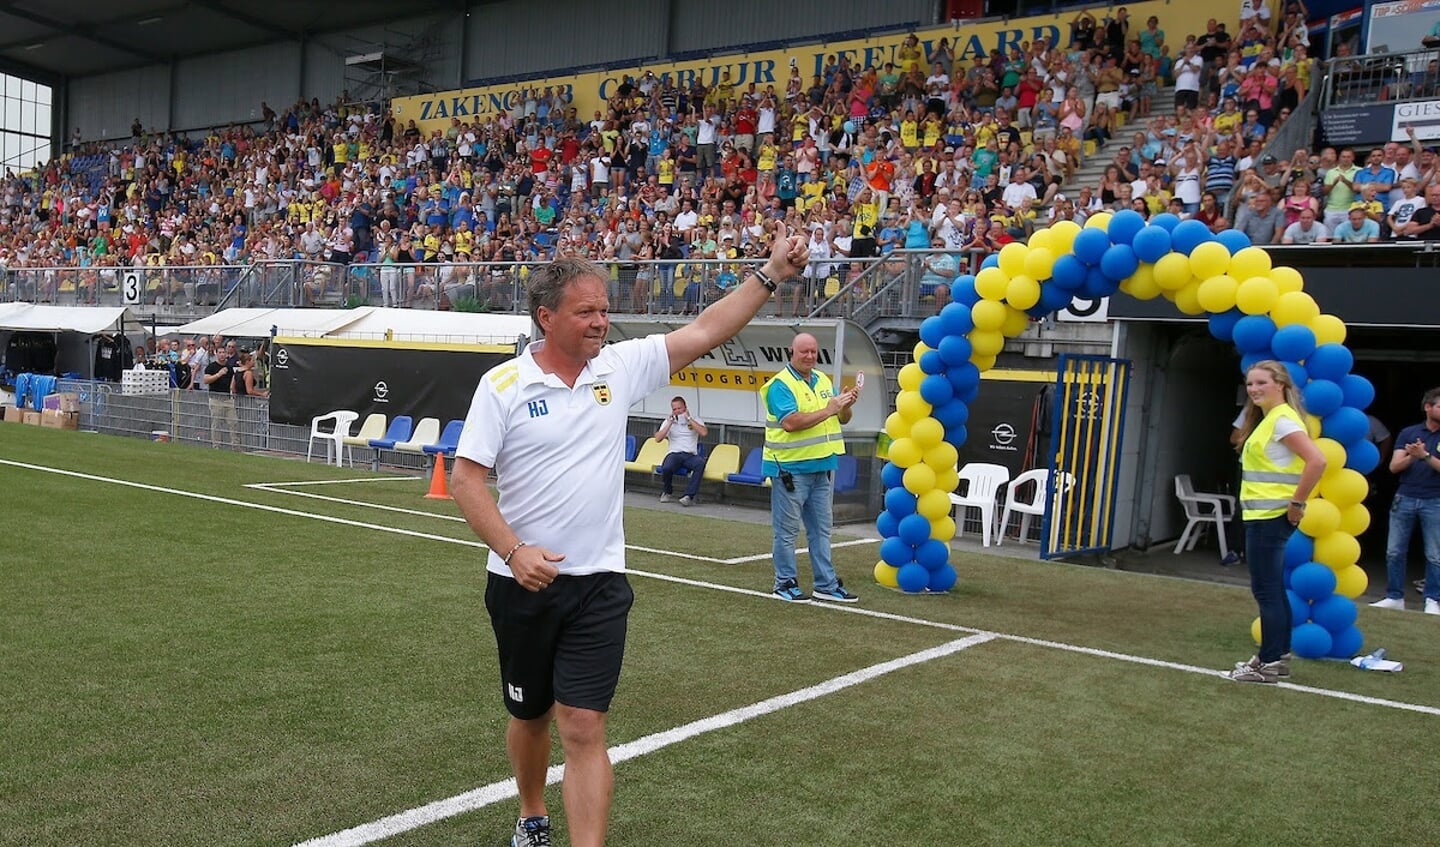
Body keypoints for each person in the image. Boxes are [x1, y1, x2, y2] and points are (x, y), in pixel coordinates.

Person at [449, 231, 811, 847]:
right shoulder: (503, 386)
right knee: (529, 714)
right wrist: (514, 550)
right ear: (547, 318)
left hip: (600, 586)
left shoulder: (617, 366)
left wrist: (771, 273)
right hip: (521, 584)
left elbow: (707, 330)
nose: (601, 321)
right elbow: (465, 479)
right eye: (586, 311)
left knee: (584, 725)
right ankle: (532, 813)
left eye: (603, 309)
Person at [1228, 360, 1326, 683]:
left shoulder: (1282, 420)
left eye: (1261, 383)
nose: (1254, 389)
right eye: (1250, 383)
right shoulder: (1272, 418)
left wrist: (1297, 503)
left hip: (1270, 516)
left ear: (1280, 385)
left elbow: (1317, 460)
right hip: (1264, 515)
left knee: (1266, 590)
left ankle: (1268, 662)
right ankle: (1277, 657)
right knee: (1272, 590)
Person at [763, 332, 860, 604]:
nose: (809, 356)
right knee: (787, 532)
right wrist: (830, 409)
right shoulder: (780, 385)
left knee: (821, 530)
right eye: (804, 351)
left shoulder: (822, 380)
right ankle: (784, 582)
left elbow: (840, 420)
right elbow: (791, 423)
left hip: (820, 467)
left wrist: (845, 406)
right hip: (790, 469)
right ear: (791, 353)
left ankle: (825, 584)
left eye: (813, 352)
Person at [1370, 387, 1440, 615]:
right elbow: (1393, 467)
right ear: (1428, 407)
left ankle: (1433, 599)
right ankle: (1394, 596)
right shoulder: (1410, 432)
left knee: (1434, 554)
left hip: (1435, 499)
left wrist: (1426, 456)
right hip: (1405, 497)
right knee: (1395, 551)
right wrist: (1412, 456)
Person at [655, 396, 708, 506]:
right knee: (667, 467)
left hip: (690, 455)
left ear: (685, 407)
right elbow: (658, 438)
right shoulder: (669, 421)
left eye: (679, 408)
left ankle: (689, 496)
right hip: (674, 453)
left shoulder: (695, 419)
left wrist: (689, 419)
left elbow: (703, 433)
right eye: (674, 409)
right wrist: (669, 423)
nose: (677, 411)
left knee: (700, 464)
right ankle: (667, 491)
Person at [202, 343, 240, 449]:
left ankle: (235, 446)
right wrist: (218, 375)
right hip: (216, 399)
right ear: (216, 353)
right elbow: (206, 380)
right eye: (220, 352)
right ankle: (216, 446)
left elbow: (233, 381)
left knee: (233, 422)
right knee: (216, 424)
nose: (222, 355)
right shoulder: (211, 367)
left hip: (228, 399)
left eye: (224, 353)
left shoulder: (229, 368)